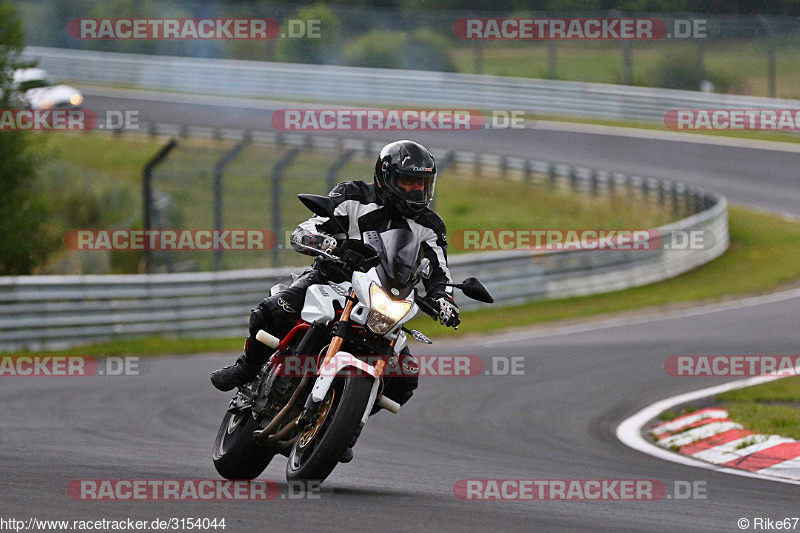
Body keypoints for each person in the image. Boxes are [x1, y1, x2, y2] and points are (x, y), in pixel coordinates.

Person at [210, 139, 460, 410]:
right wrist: (325, 243)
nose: (416, 190)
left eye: (422, 184)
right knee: (273, 311)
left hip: (384, 298)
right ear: (385, 177)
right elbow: (310, 227)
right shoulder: (352, 196)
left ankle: (343, 414)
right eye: (408, 181)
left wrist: (445, 299)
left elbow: (440, 272)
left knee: (405, 378)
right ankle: (246, 367)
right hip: (332, 280)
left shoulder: (431, 225)